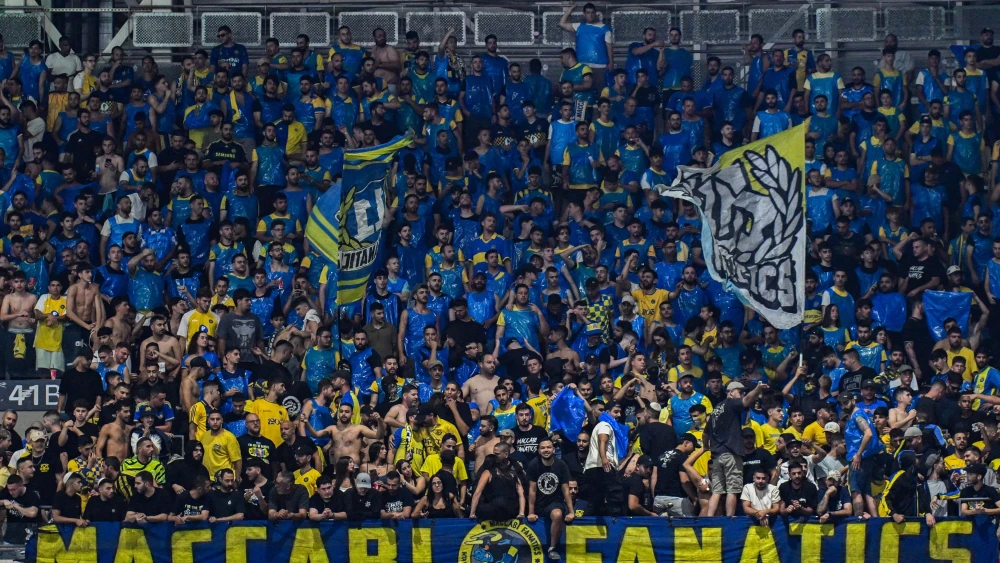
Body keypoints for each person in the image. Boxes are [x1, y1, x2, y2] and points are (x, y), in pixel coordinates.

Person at [705, 381, 768, 516]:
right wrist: (758, 388)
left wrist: (706, 447)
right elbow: (747, 400)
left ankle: (708, 519)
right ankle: (730, 519)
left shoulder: (716, 409)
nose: (742, 395)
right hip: (731, 453)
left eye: (742, 392)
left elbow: (705, 433)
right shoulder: (731, 403)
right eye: (740, 392)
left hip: (716, 456)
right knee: (732, 490)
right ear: (730, 392)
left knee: (716, 491)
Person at [526, 437, 574, 559]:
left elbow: (565, 490)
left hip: (555, 503)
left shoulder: (561, 465)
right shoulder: (533, 465)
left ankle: (552, 548)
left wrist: (571, 511)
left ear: (553, 449)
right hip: (539, 504)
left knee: (557, 514)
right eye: (542, 448)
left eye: (548, 447)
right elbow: (532, 490)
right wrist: (531, 512)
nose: (546, 450)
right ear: (538, 450)